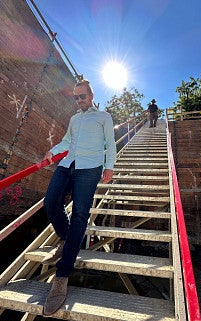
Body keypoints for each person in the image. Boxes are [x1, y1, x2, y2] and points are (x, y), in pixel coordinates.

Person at [41, 79, 116, 316]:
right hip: (68, 163)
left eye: (82, 96)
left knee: (80, 215)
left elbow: (110, 143)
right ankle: (65, 239)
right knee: (51, 202)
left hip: (91, 167)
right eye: (76, 97)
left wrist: (109, 166)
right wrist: (52, 151)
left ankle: (62, 276)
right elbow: (67, 141)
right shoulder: (74, 119)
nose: (79, 101)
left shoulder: (104, 116)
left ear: (91, 95)